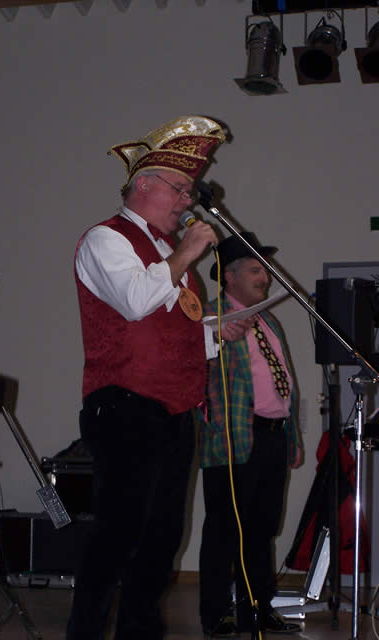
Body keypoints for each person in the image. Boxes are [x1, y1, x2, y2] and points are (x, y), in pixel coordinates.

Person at [67, 115, 226, 640]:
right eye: (179, 188)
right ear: (143, 185)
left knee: (162, 539)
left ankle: (140, 633)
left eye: (188, 191)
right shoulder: (105, 239)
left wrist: (217, 332)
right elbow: (135, 301)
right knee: (118, 536)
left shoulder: (166, 253)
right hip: (125, 405)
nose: (187, 200)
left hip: (175, 411)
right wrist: (187, 252)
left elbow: (171, 329)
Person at [197, 232, 303, 639]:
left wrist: (292, 438)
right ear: (230, 276)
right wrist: (215, 334)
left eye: (265, 270)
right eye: (257, 270)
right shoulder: (210, 319)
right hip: (233, 438)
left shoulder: (268, 320)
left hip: (273, 437)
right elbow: (192, 369)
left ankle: (257, 609)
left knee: (261, 529)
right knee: (224, 529)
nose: (265, 278)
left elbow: (282, 382)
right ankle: (215, 614)